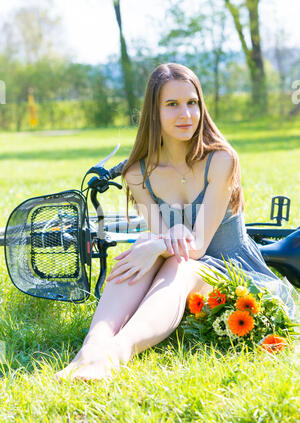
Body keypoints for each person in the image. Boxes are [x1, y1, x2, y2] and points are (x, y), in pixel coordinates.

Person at [56, 63, 296, 382]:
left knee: (176, 261)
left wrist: (159, 242)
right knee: (142, 252)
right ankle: (91, 349)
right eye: (172, 105)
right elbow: (163, 239)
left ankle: (114, 356)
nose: (185, 114)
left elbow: (194, 247)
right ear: (154, 112)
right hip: (179, 268)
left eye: (192, 103)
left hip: (232, 269)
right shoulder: (138, 172)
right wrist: (155, 243)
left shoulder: (221, 160)